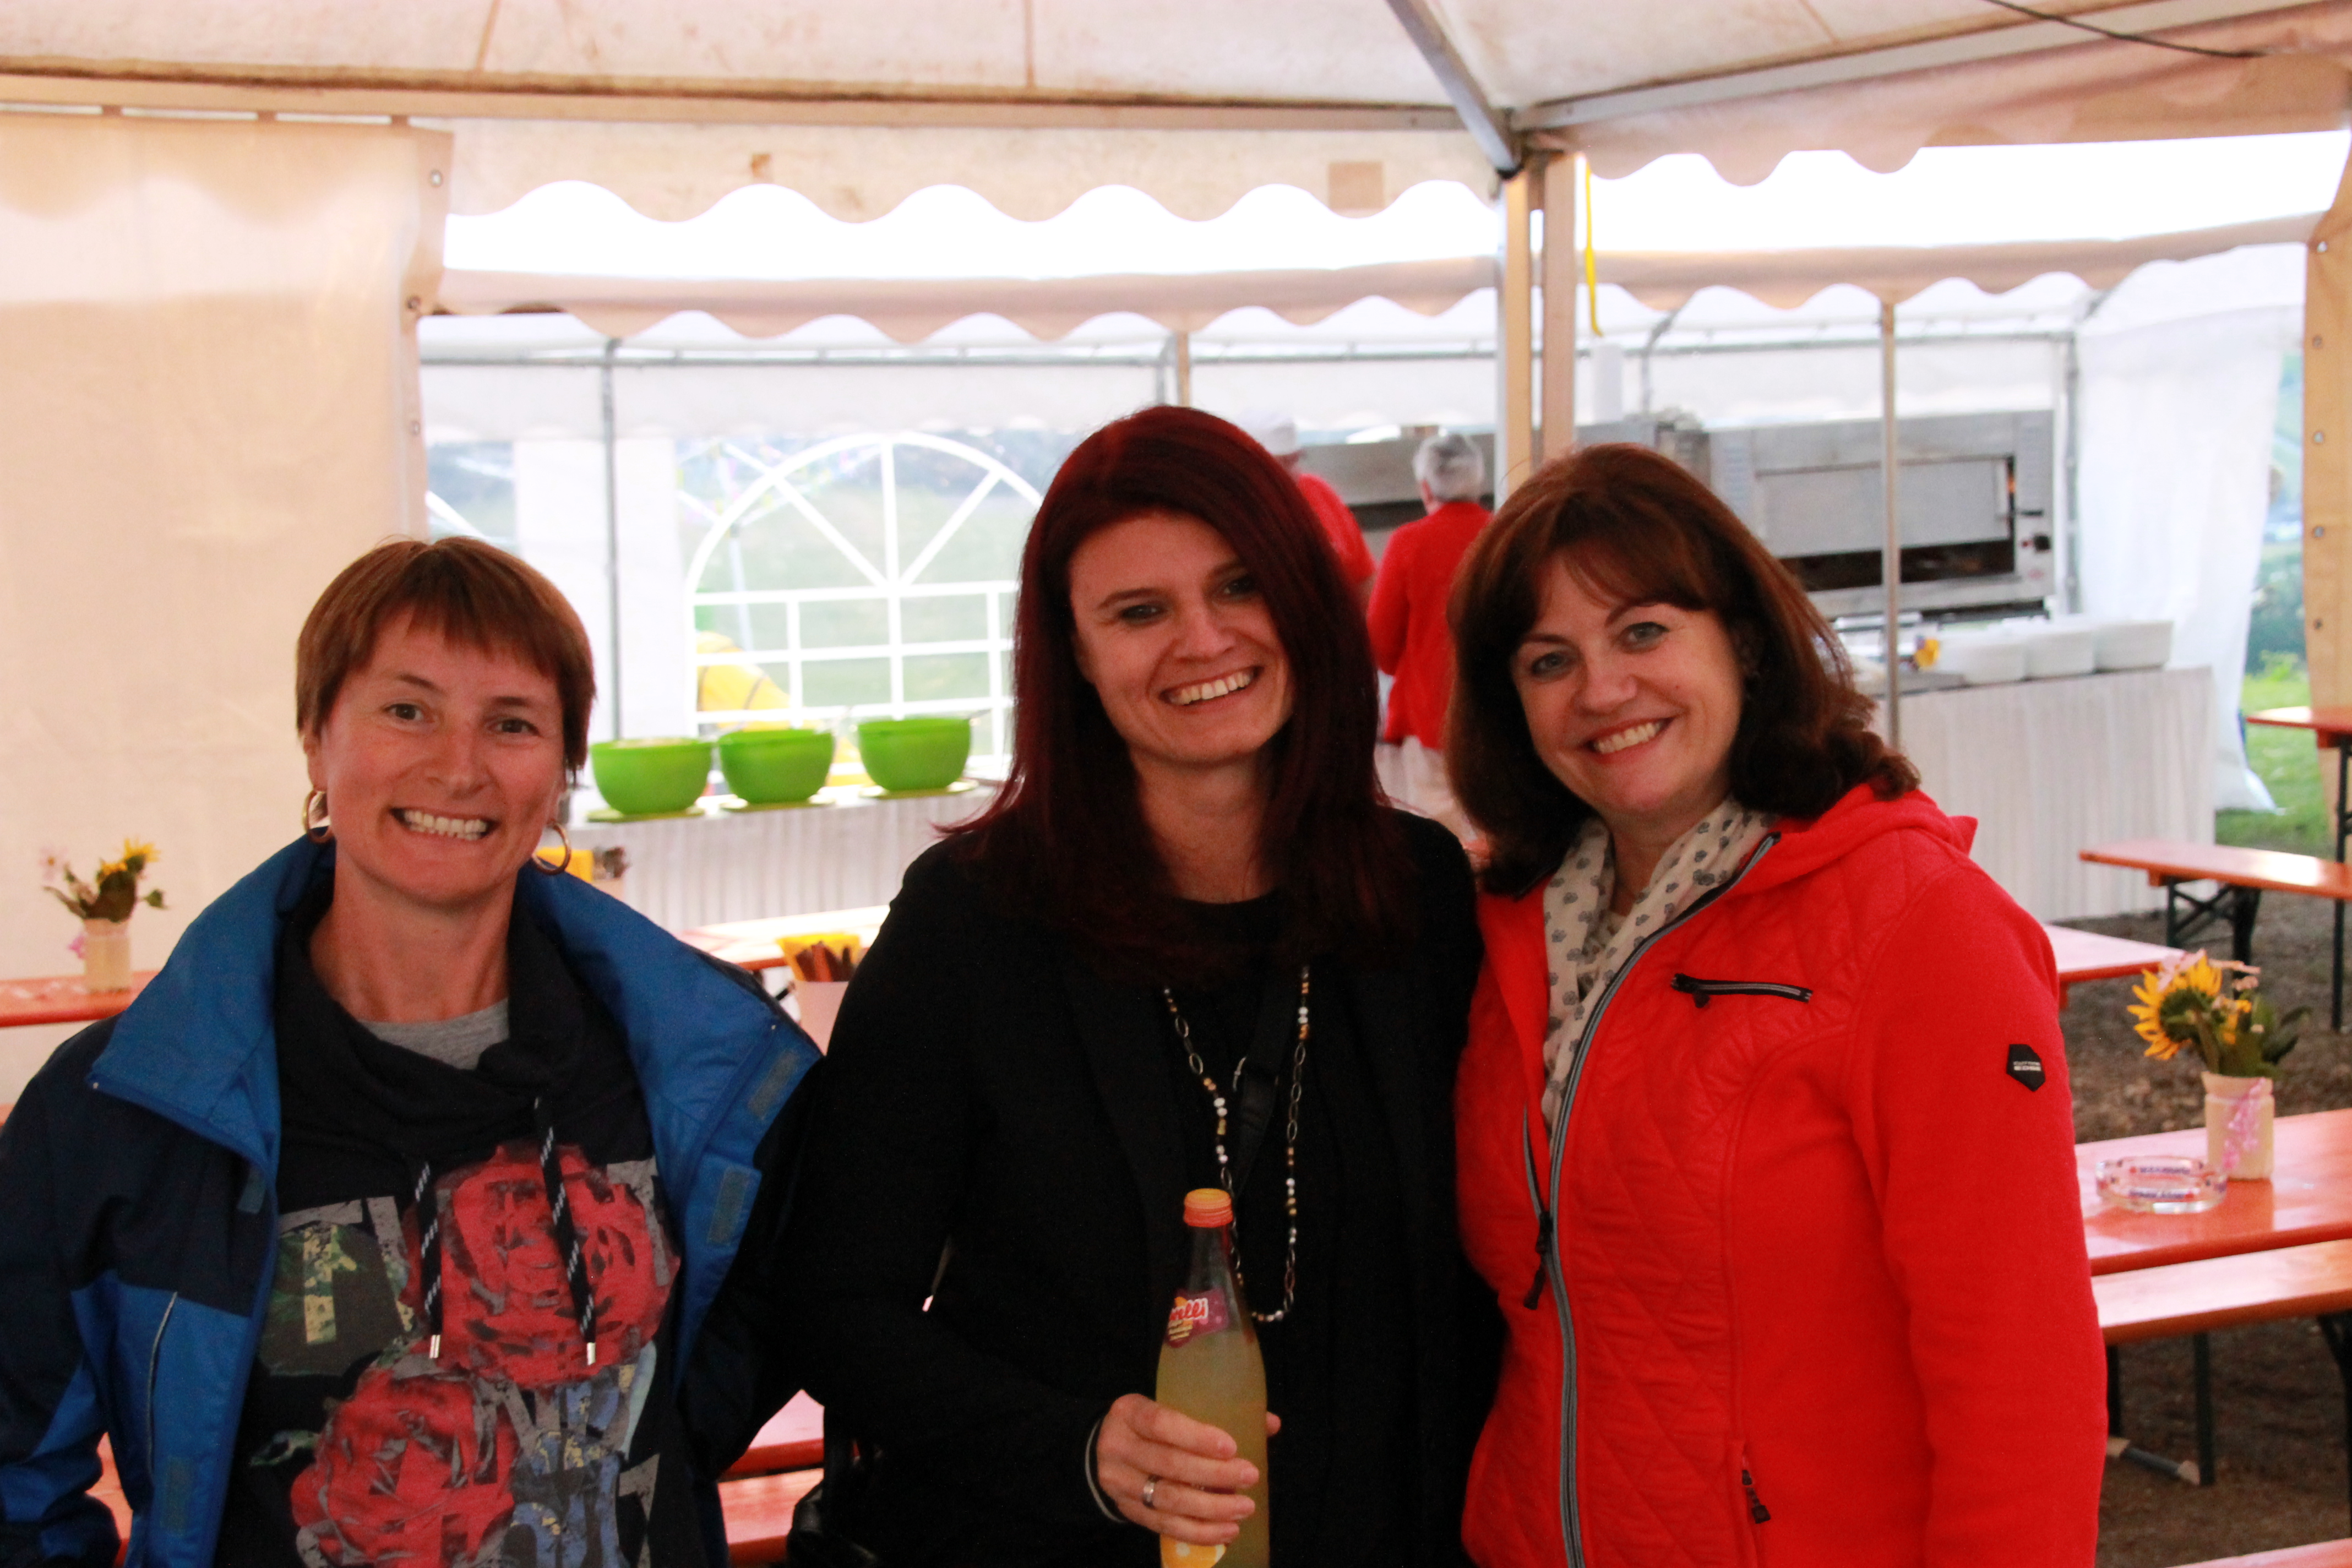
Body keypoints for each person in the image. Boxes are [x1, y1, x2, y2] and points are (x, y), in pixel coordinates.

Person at [0, 538, 818, 1567]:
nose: (459, 767)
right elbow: (17, 1475)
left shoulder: (699, 1069)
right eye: (407, 710)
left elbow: (755, 1331)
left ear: (560, 774)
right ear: (316, 739)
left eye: (512, 723)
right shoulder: (126, 1106)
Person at [779, 405, 1496, 1566]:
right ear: (1072, 651)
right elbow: (833, 1307)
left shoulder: (1417, 893)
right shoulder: (976, 922)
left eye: (1239, 586)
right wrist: (1077, 1449)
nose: (1203, 640)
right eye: (1140, 611)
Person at [1444, 444, 2105, 1566]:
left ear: (1744, 642)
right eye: (1550, 659)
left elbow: (2020, 1381)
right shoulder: (1504, 926)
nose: (1602, 689)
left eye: (1643, 632)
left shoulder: (1918, 927)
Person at [1368, 432, 1490, 836]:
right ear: (1478, 482)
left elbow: (1381, 641)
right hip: (1499, 720)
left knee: (1438, 840)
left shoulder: (1408, 543)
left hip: (1429, 720)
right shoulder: (1503, 536)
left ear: (1425, 487)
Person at [1242, 410, 1376, 605]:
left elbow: (1364, 578)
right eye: (1282, 464)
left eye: (1295, 461)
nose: (1294, 474)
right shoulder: (1235, 510)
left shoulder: (1318, 492)